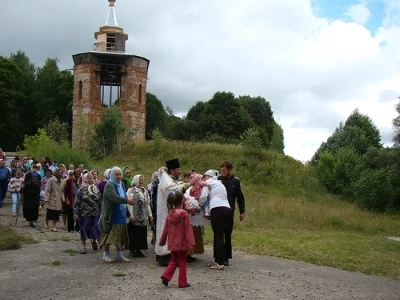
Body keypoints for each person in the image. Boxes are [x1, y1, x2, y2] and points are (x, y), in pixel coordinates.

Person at [155, 158, 188, 266]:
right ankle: (165, 257)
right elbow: (174, 191)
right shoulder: (167, 182)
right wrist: (189, 184)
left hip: (167, 211)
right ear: (172, 170)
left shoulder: (169, 179)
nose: (180, 171)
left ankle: (170, 257)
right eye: (178, 169)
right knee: (166, 233)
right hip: (165, 212)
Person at [98, 166, 135, 263]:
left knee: (119, 236)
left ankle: (119, 254)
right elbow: (113, 197)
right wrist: (127, 201)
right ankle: (106, 254)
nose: (118, 176)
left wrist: (128, 213)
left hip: (120, 215)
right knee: (109, 236)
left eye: (119, 175)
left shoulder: (122, 184)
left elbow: (123, 197)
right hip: (111, 215)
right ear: (112, 175)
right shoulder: (109, 185)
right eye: (116, 175)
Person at [159, 191, 194, 288]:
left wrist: (162, 241)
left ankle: (166, 275)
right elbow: (187, 229)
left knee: (174, 260)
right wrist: (191, 242)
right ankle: (182, 282)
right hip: (182, 243)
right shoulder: (184, 214)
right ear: (182, 200)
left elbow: (165, 229)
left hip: (172, 243)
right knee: (182, 262)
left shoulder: (169, 214)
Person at [199, 169, 231, 270]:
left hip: (217, 208)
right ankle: (217, 259)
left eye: (204, 176)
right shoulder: (220, 184)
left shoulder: (208, 182)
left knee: (218, 236)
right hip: (227, 209)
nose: (204, 179)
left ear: (208, 176)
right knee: (220, 235)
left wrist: (200, 204)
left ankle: (220, 263)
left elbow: (203, 196)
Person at [218, 160, 245, 266]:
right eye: (222, 170)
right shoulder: (219, 179)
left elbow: (240, 197)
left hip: (230, 211)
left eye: (224, 170)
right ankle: (218, 255)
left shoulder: (235, 181)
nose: (223, 172)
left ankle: (226, 257)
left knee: (227, 234)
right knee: (219, 234)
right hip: (219, 210)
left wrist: (242, 211)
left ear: (230, 169)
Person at [74, 173, 102, 254]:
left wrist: (102, 210)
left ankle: (94, 241)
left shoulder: (95, 189)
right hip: (84, 214)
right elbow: (77, 202)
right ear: (85, 179)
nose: (91, 179)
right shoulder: (81, 190)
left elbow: (100, 200)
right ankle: (83, 246)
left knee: (95, 227)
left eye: (92, 178)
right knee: (84, 228)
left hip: (95, 213)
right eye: (89, 178)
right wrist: (76, 213)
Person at [126, 174, 153, 257]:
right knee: (134, 233)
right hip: (135, 215)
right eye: (140, 180)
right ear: (136, 180)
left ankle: (138, 250)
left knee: (141, 233)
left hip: (143, 216)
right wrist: (131, 215)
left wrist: (150, 215)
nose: (141, 182)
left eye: (142, 180)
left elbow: (147, 203)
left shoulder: (144, 190)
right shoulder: (131, 190)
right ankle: (132, 250)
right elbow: (129, 204)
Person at [147, 171, 159, 244]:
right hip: (153, 208)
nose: (157, 178)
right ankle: (154, 241)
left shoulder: (160, 185)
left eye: (158, 176)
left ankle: (154, 240)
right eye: (155, 177)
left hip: (159, 208)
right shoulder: (151, 186)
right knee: (154, 226)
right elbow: (150, 198)